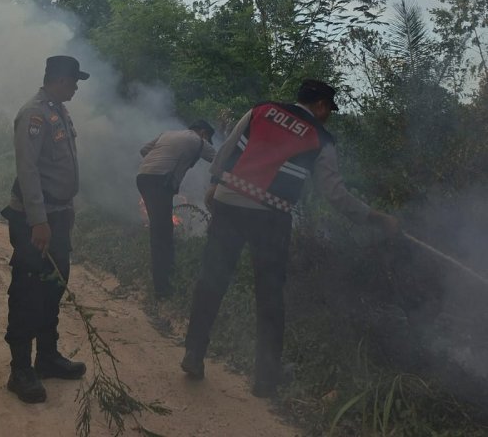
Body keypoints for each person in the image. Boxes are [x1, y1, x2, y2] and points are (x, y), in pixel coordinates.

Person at [180, 79, 399, 398]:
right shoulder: (321, 137)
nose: (328, 116)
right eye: (329, 110)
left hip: (229, 204)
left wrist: (216, 184)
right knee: (269, 295)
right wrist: (376, 217)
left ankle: (194, 354)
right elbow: (335, 194)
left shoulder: (261, 110)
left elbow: (226, 151)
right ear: (321, 106)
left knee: (211, 280)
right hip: (270, 216)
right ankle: (266, 378)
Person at [1, 55, 90, 404]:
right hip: (34, 219)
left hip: (58, 214)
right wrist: (38, 220)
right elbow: (29, 169)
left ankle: (47, 357)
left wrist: (65, 210)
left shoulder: (58, 110)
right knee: (27, 290)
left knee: (55, 284)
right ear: (61, 79)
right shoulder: (35, 113)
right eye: (75, 81)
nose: (77, 87)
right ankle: (20, 369)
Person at [137, 119, 216, 298]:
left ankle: (166, 278)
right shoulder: (199, 141)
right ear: (203, 133)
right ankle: (163, 288)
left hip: (143, 178)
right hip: (160, 183)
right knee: (161, 234)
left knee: (162, 229)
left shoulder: (168, 133)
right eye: (207, 138)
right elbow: (219, 162)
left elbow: (143, 150)